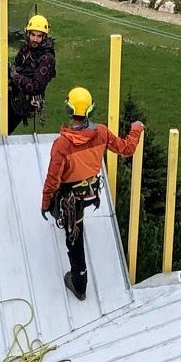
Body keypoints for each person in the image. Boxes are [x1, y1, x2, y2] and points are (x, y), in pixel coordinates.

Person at [42, 87, 143, 300]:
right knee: (75, 225)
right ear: (90, 110)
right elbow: (126, 149)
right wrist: (135, 130)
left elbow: (53, 179)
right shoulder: (102, 133)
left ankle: (79, 284)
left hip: (71, 200)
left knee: (74, 240)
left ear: (69, 110)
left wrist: (45, 203)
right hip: (89, 193)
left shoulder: (62, 144)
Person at [9, 13, 57, 129]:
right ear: (28, 34)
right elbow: (18, 64)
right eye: (33, 35)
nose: (35, 39)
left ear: (44, 37)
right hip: (15, 93)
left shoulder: (47, 59)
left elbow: (35, 86)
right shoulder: (26, 49)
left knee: (1, 132)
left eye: (39, 36)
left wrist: (14, 75)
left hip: (27, 101)